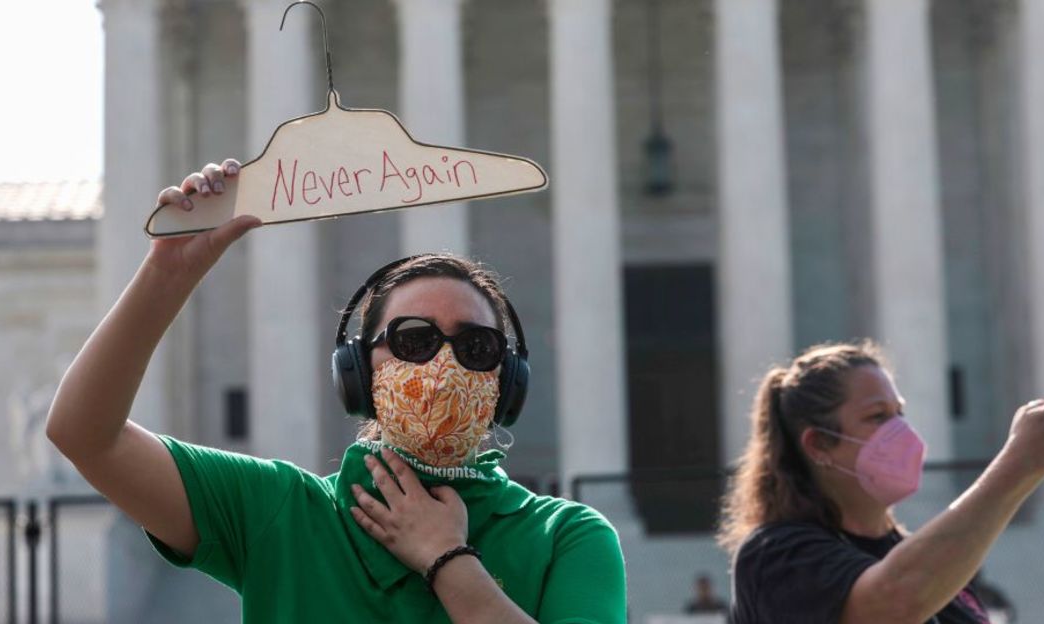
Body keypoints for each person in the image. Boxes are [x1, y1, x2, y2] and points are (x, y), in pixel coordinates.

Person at [46, 160, 627, 623]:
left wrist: (448, 560)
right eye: (414, 339)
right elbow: (83, 434)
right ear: (358, 371)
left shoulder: (568, 535)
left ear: (506, 382)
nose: (444, 364)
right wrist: (167, 275)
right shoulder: (282, 511)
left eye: (475, 347)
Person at [717, 341, 1044, 624]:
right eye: (878, 417)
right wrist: (1022, 463)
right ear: (819, 445)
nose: (901, 430)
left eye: (900, 413)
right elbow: (896, 602)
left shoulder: (921, 558)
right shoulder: (777, 557)